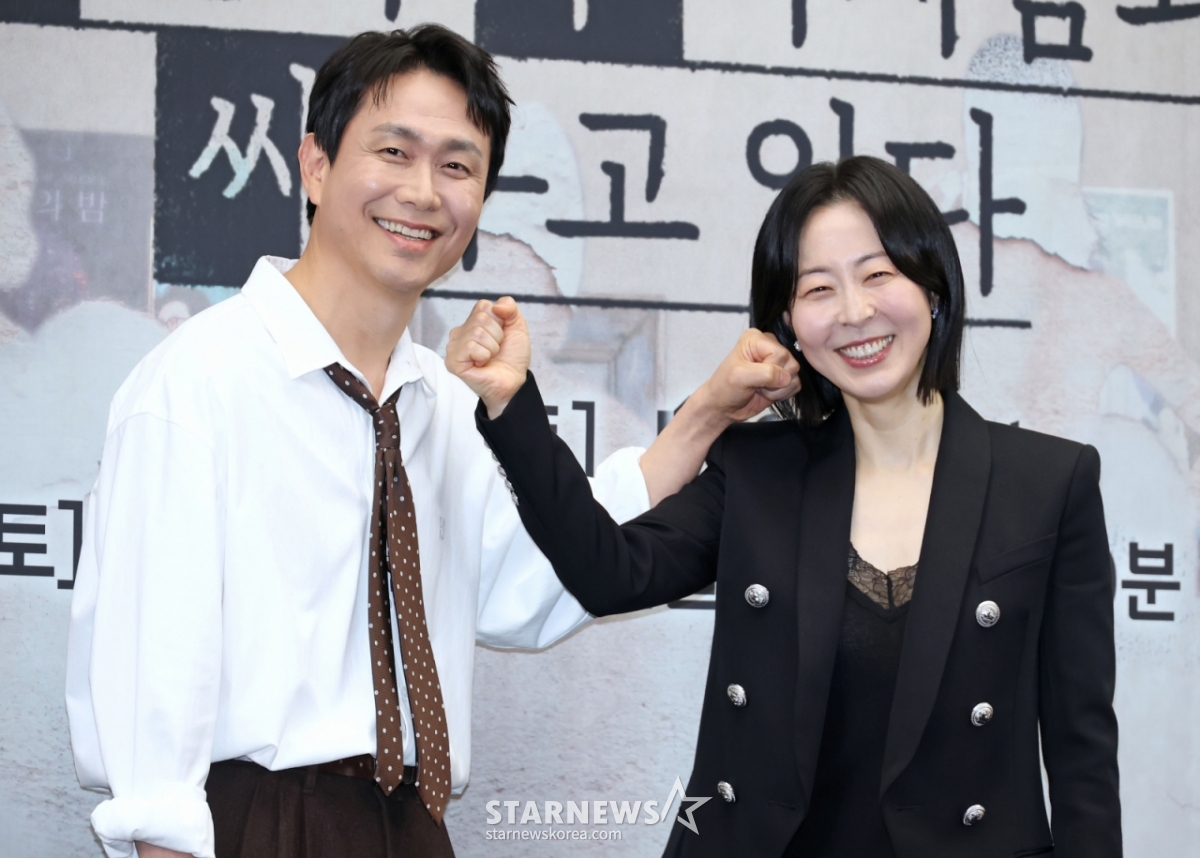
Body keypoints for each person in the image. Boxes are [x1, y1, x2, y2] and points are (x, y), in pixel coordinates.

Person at [63, 26, 792, 858]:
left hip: (411, 826)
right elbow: (151, 679)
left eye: (457, 166)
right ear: (314, 162)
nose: (422, 192)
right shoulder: (196, 383)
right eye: (394, 152)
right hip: (250, 823)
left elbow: (547, 578)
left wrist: (705, 416)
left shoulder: (443, 404)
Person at [451, 155, 1121, 857]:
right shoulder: (759, 470)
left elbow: (1081, 751)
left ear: (933, 286)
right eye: (818, 289)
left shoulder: (1050, 481)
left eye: (878, 274)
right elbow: (609, 571)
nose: (855, 312)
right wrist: (511, 405)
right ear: (788, 324)